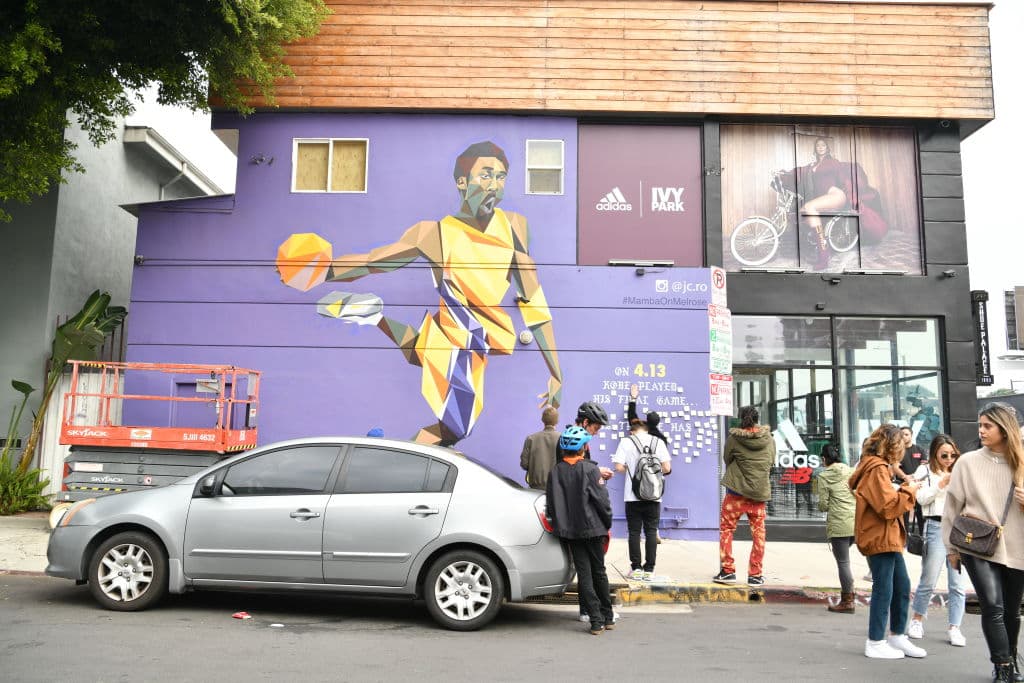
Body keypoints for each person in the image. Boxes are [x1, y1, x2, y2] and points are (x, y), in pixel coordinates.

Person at [277, 141, 562, 447]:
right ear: (462, 182)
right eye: (486, 175)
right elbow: (375, 262)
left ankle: (375, 317)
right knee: (456, 428)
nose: (495, 184)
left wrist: (556, 372)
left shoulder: (515, 227)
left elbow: (534, 299)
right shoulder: (434, 233)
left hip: (484, 336)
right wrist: (324, 270)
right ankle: (401, 472)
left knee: (422, 359)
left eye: (501, 177)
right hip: (454, 332)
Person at [942, 403, 1024, 682]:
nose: (981, 430)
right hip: (976, 545)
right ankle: (1002, 667)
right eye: (980, 425)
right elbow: (952, 507)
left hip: (1018, 545)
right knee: (993, 605)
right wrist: (951, 549)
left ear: (1005, 428)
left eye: (987, 425)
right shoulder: (968, 462)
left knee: (1012, 611)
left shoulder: (1022, 461)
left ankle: (1011, 661)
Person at [848, 423, 926, 660]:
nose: (903, 447)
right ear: (893, 445)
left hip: (886, 535)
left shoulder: (876, 468)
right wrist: (909, 489)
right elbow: (888, 507)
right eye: (900, 443)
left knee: (901, 586)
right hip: (880, 535)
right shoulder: (877, 469)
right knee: (885, 588)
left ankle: (896, 636)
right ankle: (875, 640)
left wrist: (902, 489)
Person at [775, 136, 887, 270]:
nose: (820, 147)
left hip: (836, 194)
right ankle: (817, 242)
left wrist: (853, 198)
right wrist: (784, 174)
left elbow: (845, 177)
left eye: (823, 145)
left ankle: (823, 254)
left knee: (809, 207)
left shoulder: (833, 162)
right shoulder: (812, 165)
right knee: (803, 210)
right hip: (825, 197)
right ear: (815, 149)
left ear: (827, 148)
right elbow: (800, 171)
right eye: (818, 145)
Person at [545, 425, 615, 635]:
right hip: (593, 529)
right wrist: (607, 522)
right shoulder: (590, 469)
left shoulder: (555, 471)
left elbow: (552, 503)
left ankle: (595, 622)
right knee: (599, 572)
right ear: (582, 448)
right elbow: (602, 502)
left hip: (571, 532)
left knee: (584, 575)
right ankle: (607, 616)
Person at [907, 434, 967, 646]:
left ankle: (955, 627)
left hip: (959, 529)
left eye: (953, 455)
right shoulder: (924, 471)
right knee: (929, 578)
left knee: (957, 583)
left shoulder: (961, 470)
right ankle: (916, 620)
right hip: (935, 526)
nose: (949, 459)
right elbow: (921, 499)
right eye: (944, 455)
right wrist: (941, 483)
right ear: (934, 454)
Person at [713, 406, 775, 586]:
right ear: (757, 418)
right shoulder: (768, 439)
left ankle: (728, 571)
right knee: (759, 533)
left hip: (736, 493)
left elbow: (727, 459)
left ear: (740, 419)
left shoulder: (734, 438)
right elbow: (771, 461)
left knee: (726, 530)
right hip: (758, 494)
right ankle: (755, 574)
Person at [613, 417, 671, 580]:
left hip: (632, 495)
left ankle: (636, 568)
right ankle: (650, 570)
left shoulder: (626, 442)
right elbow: (667, 468)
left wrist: (632, 469)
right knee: (651, 531)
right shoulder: (657, 441)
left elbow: (618, 467)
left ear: (632, 431)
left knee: (634, 532)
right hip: (654, 495)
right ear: (646, 429)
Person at [815, 443, 856, 613]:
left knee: (843, 563)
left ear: (824, 459)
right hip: (856, 521)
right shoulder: (851, 471)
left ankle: (847, 601)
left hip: (839, 524)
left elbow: (823, 505)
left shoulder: (823, 477)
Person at [520, 406, 560, 490]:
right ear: (557, 421)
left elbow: (524, 464)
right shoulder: (562, 439)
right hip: (556, 491)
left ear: (543, 420)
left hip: (535, 489)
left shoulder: (531, 439)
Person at [628, 383, 669, 451]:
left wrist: (633, 398)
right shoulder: (662, 439)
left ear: (647, 419)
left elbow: (631, 415)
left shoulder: (639, 430)